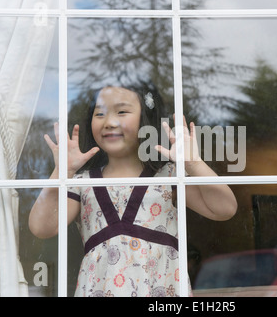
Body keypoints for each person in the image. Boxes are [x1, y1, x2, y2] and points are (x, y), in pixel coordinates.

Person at [28, 83, 237, 297]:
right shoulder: (82, 182)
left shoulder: (169, 176)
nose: (109, 122)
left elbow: (225, 208)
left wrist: (194, 163)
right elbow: (40, 227)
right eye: (99, 113)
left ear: (145, 118)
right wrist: (61, 172)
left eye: (121, 112)